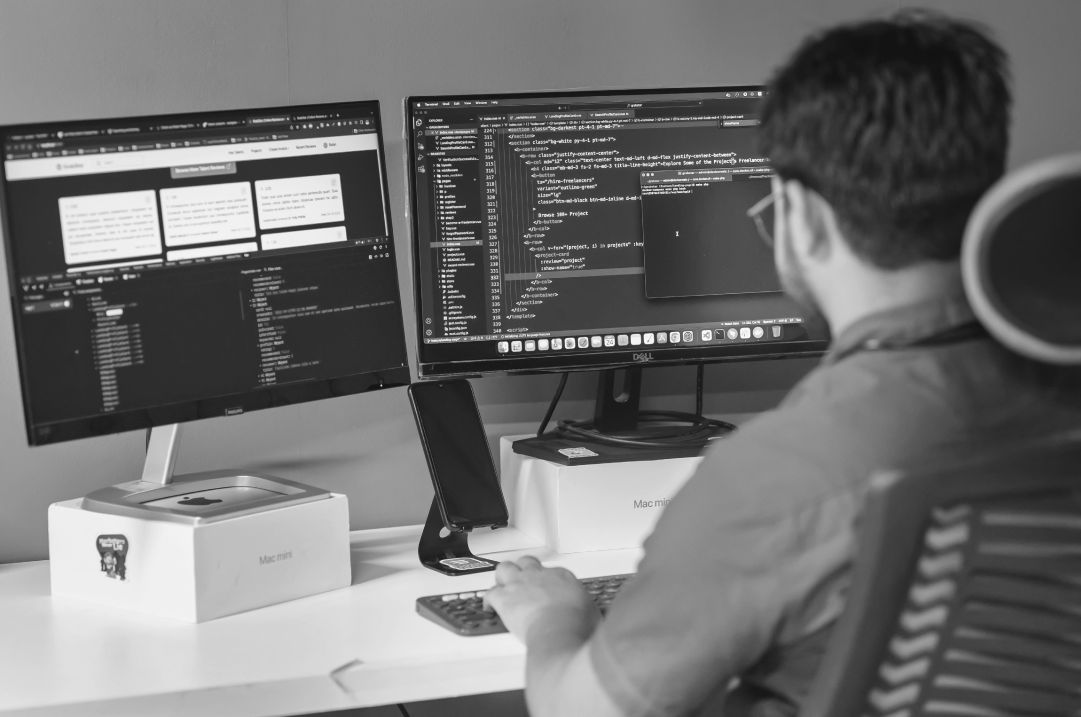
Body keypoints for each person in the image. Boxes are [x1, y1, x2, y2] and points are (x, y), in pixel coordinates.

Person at [484, 11, 1081, 717]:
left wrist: (551, 617)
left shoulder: (778, 471)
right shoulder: (1061, 399)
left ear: (803, 216)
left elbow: (581, 710)